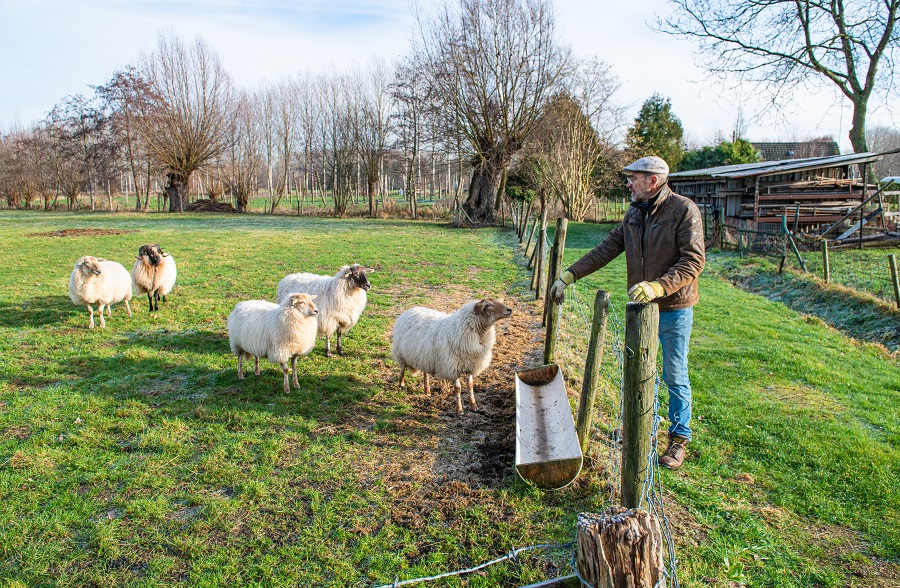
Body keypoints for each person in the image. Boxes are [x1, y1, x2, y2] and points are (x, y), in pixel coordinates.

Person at [549, 155, 705, 469]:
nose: (629, 183)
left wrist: (659, 287)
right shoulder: (634, 213)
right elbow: (608, 247)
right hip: (640, 308)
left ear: (654, 180)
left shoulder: (683, 210)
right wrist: (571, 274)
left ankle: (678, 439)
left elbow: (693, 260)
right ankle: (641, 429)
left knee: (674, 374)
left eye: (634, 177)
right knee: (638, 371)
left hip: (673, 307)